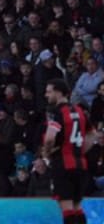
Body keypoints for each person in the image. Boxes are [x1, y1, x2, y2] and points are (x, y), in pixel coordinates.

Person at [43, 79, 92, 224]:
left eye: (49, 91)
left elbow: (50, 139)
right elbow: (93, 135)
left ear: (58, 92)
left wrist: (47, 153)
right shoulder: (79, 111)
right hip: (80, 164)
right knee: (77, 206)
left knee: (67, 208)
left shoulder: (55, 112)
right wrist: (80, 150)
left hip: (63, 164)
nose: (46, 95)